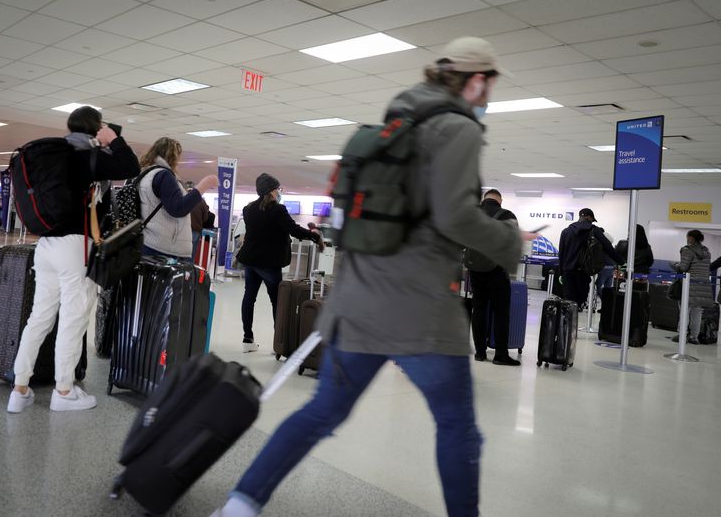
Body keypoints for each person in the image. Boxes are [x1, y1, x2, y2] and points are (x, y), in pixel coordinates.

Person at [211, 37, 536, 517]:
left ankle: (240, 505)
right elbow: (453, 217)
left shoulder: (396, 121)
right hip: (421, 313)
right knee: (458, 428)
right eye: (488, 84)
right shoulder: (457, 129)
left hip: (358, 303)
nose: (489, 96)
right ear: (475, 81)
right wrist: (511, 241)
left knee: (322, 412)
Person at [7, 106, 141, 414]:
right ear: (96, 129)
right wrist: (113, 139)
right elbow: (130, 166)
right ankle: (64, 391)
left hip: (45, 246)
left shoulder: (56, 155)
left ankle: (19, 389)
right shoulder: (84, 157)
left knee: (38, 318)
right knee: (72, 319)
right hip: (73, 247)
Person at [235, 173, 324, 353]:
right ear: (272, 191)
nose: (279, 192)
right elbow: (294, 230)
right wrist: (315, 236)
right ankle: (280, 342)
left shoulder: (248, 209)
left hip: (250, 260)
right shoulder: (277, 210)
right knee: (278, 301)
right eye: (278, 189)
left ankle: (247, 339)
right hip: (268, 262)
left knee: (249, 298)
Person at [137, 138, 218, 260]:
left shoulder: (145, 174)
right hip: (162, 247)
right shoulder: (164, 175)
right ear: (173, 156)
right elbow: (178, 209)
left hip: (147, 241)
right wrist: (203, 186)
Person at [469, 189, 520, 366]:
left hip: (475, 270)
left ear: (484, 199)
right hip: (498, 271)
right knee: (500, 313)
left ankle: (480, 352)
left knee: (479, 309)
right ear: (500, 200)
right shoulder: (507, 215)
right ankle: (500, 354)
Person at [558, 208, 623, 309]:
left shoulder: (566, 231)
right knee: (579, 301)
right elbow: (608, 247)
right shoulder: (594, 230)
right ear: (589, 217)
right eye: (592, 219)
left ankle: (567, 323)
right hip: (583, 272)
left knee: (568, 302)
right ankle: (575, 319)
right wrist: (621, 262)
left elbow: (561, 254)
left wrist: (561, 273)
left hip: (568, 272)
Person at [670, 229, 714, 344]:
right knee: (698, 311)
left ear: (691, 238)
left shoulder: (687, 250)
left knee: (685, 310)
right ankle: (694, 337)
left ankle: (682, 335)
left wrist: (673, 264)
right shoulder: (707, 252)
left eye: (688, 237)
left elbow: (683, 268)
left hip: (689, 285)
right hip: (703, 286)